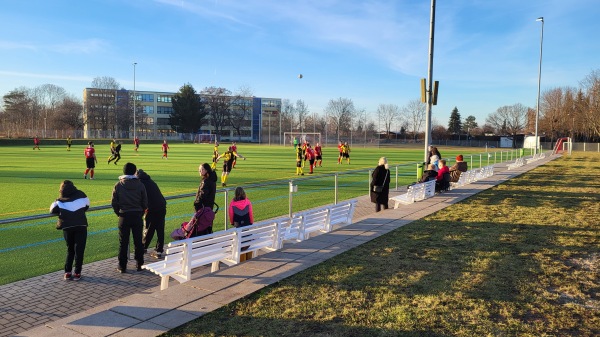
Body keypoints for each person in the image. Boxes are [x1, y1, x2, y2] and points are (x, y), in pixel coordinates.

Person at [111, 162, 148, 273]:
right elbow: (145, 202)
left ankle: (122, 266)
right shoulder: (140, 184)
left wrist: (119, 213)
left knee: (123, 242)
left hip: (124, 215)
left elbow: (114, 202)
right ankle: (139, 264)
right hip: (137, 215)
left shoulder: (118, 185)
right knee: (138, 241)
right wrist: (141, 212)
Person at [50, 180, 90, 281]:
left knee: (70, 249)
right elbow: (87, 205)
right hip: (81, 225)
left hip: (68, 227)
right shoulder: (81, 194)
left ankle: (67, 272)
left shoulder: (59, 200)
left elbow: (52, 209)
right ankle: (77, 273)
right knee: (79, 250)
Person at [136, 169, 167, 258]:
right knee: (160, 229)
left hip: (152, 208)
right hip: (161, 206)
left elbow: (141, 198)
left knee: (149, 228)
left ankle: (143, 247)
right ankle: (159, 250)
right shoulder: (150, 181)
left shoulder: (140, 183)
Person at [229, 186, 254, 261]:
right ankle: (247, 255)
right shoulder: (247, 202)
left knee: (239, 239)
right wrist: (251, 222)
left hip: (238, 224)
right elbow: (250, 214)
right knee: (246, 237)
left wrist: (232, 222)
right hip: (247, 224)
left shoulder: (232, 203)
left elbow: (231, 214)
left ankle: (241, 256)